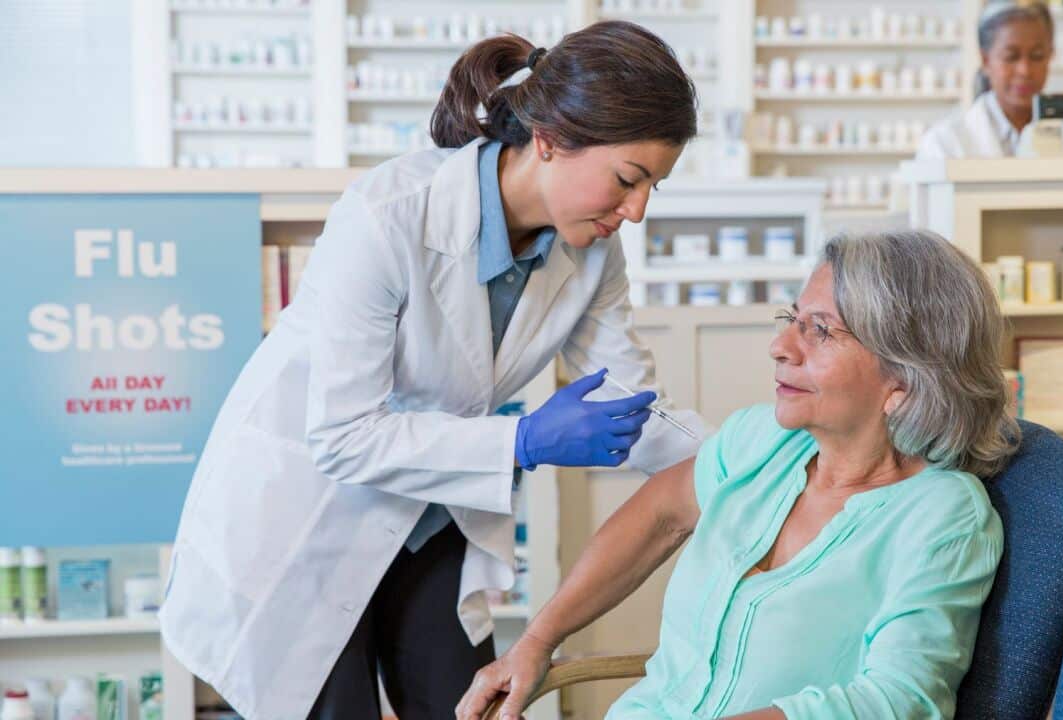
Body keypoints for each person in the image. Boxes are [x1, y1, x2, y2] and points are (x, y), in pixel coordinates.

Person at [159, 21, 710, 720]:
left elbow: (633, 401)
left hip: (430, 514)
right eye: (628, 180)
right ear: (549, 139)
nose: (634, 212)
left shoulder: (593, 254)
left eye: (651, 188)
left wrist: (754, 464)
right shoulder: (386, 217)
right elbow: (344, 435)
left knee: (466, 705)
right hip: (308, 511)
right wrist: (522, 442)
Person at [458, 229, 1021, 720]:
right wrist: (536, 640)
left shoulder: (943, 516)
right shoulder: (762, 442)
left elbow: (899, 700)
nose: (780, 347)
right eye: (790, 320)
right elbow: (659, 515)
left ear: (907, 377)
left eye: (820, 331)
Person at [916, 1, 1054, 159]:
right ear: (986, 60)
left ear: (1051, 55)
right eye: (1011, 57)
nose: (1024, 70)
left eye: (1036, 56)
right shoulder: (944, 143)